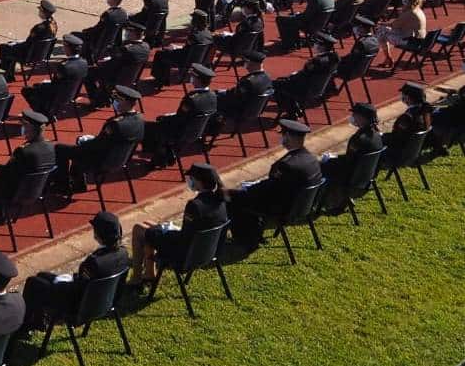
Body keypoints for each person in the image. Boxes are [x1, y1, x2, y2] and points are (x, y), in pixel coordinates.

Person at [19, 211, 130, 333]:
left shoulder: (94, 263)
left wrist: (61, 282)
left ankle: (25, 326)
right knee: (42, 276)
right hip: (106, 301)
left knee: (33, 282)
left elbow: (76, 290)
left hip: (78, 307)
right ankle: (38, 322)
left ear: (98, 234)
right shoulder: (124, 254)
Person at [129, 162, 229, 287]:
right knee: (150, 226)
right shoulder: (221, 201)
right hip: (208, 251)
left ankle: (136, 277)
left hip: (185, 257)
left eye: (192, 179)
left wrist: (167, 231)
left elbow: (184, 240)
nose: (190, 181)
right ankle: (149, 273)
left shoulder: (195, 206)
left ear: (199, 181)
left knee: (139, 229)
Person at [228, 119, 322, 247]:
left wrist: (245, 191)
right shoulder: (311, 159)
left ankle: (246, 239)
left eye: (283, 135)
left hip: (282, 208)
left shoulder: (287, 165)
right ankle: (252, 233)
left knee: (232, 199)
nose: (282, 138)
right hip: (300, 206)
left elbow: (268, 189)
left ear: (288, 136)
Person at [55, 85, 145, 192]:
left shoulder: (115, 124)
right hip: (121, 159)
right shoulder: (139, 119)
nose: (114, 103)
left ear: (125, 102)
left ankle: (63, 184)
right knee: (78, 149)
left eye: (117, 100)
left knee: (60, 149)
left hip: (102, 161)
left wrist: (85, 142)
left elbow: (97, 146)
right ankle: (77, 180)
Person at [143, 64, 220, 165]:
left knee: (147, 126)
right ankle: (164, 152)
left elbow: (179, 120)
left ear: (197, 80)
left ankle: (159, 157)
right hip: (197, 131)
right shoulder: (213, 96)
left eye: (193, 77)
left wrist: (165, 118)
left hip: (181, 132)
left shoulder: (191, 99)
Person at [319, 102, 384, 212]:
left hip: (351, 177)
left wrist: (330, 160)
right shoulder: (377, 135)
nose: (353, 117)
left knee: (319, 167)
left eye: (355, 115)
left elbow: (348, 163)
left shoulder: (359, 139)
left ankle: (319, 200)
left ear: (363, 118)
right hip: (365, 176)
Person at [273, 33, 341, 121]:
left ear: (322, 46)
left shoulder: (316, 61)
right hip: (319, 88)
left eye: (317, 44)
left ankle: (292, 113)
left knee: (277, 85)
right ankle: (295, 108)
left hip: (307, 89)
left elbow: (303, 76)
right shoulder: (335, 58)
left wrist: (289, 79)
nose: (315, 46)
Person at [150, 11, 212, 88]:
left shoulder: (194, 35)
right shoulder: (209, 34)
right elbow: (190, 49)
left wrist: (175, 49)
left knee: (160, 54)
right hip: (199, 60)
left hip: (185, 60)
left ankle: (159, 81)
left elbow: (186, 51)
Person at [0, 1, 57, 81]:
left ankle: (8, 74)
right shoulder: (54, 25)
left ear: (43, 13)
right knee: (11, 47)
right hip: (43, 54)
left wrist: (15, 44)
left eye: (40, 11)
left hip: (30, 55)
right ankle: (9, 72)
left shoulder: (39, 28)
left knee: (5, 47)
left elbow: (28, 44)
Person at [377, 0, 426, 68]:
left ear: (409, 1)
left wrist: (380, 23)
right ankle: (387, 58)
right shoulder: (419, 10)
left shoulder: (410, 12)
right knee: (383, 29)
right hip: (419, 39)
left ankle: (387, 58)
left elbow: (394, 25)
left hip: (411, 42)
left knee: (381, 34)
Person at [383, 82, 433, 156]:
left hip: (401, 152)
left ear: (408, 98)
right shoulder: (426, 112)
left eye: (403, 95)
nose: (402, 97)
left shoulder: (407, 117)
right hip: (414, 149)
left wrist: (381, 136)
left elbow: (397, 136)